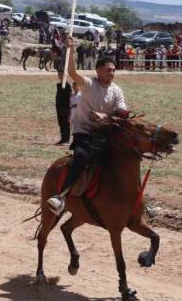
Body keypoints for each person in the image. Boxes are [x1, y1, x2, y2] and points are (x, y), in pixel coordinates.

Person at [46, 37, 129, 215]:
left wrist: (106, 116)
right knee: (81, 156)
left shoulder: (117, 90)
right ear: (98, 71)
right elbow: (72, 72)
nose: (111, 74)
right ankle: (61, 196)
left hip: (106, 134)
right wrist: (71, 51)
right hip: (84, 133)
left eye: (113, 71)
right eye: (108, 70)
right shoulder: (89, 84)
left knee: (126, 158)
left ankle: (136, 202)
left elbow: (123, 113)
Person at [55, 70, 72, 145]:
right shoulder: (58, 85)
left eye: (62, 74)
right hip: (59, 108)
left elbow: (70, 96)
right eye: (59, 74)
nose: (60, 76)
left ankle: (66, 139)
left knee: (65, 123)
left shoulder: (67, 85)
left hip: (65, 108)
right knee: (61, 123)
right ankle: (63, 138)